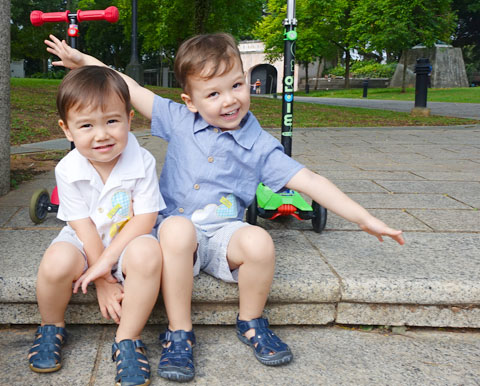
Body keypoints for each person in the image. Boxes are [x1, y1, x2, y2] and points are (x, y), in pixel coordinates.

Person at [45, 33, 405, 383]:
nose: (229, 100)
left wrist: (365, 218)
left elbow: (310, 181)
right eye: (213, 93)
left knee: (260, 241)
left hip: (221, 233)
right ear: (191, 101)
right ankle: (179, 332)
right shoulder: (179, 120)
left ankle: (251, 321)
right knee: (177, 228)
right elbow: (129, 89)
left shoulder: (259, 145)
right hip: (172, 232)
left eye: (236, 86)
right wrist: (85, 62)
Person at [28, 65, 165, 386]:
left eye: (112, 121)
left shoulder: (142, 160)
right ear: (67, 130)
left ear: (130, 119)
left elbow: (146, 218)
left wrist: (106, 263)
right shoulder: (68, 168)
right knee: (55, 263)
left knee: (149, 253)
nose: (101, 134)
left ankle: (127, 339)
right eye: (86, 125)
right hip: (84, 240)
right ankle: (51, 326)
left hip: (129, 239)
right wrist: (102, 278)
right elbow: (82, 225)